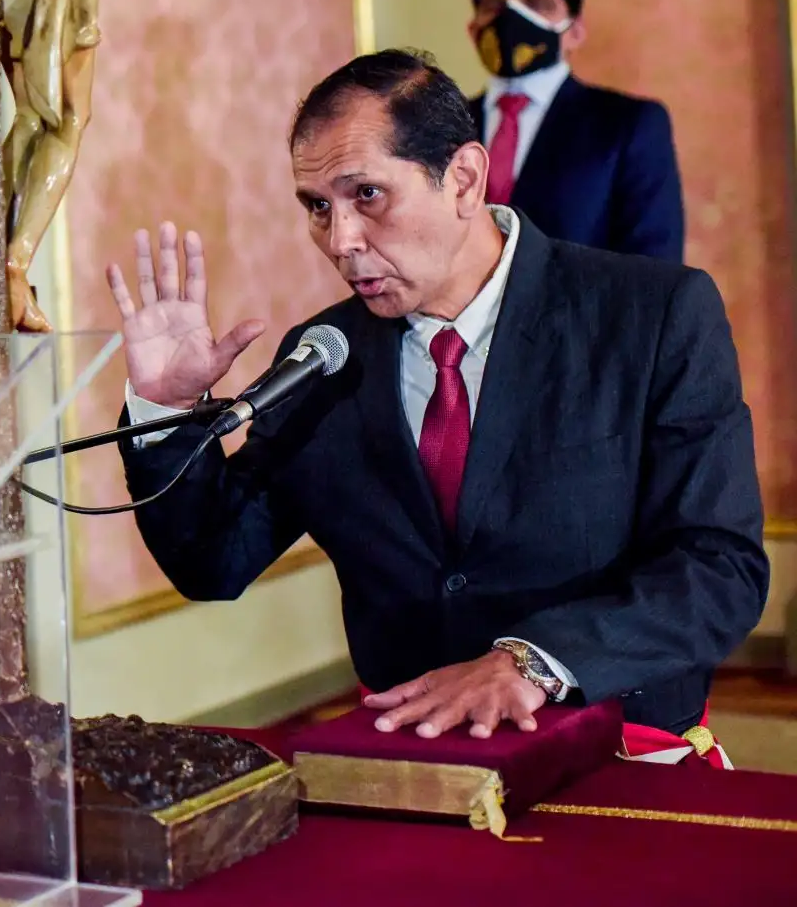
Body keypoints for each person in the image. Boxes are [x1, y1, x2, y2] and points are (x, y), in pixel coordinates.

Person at [110, 49, 766, 762]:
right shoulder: (325, 354)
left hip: (618, 759)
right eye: (318, 207)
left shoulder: (652, 314)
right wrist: (165, 411)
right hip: (416, 770)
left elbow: (718, 565)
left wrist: (533, 661)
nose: (341, 241)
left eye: (367, 195)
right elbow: (213, 560)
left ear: (463, 177)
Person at [465, 0, 683, 261]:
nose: (511, 21)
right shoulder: (441, 128)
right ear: (473, 29)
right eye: (495, 7)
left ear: (575, 31)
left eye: (536, 6)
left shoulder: (627, 126)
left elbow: (654, 269)